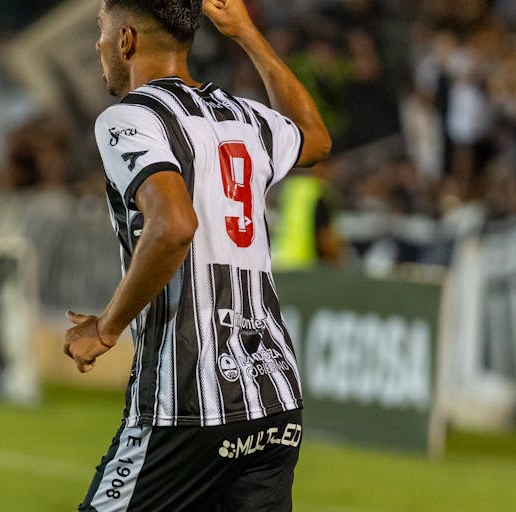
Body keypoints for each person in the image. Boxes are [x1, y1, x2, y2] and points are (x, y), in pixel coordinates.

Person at [63, 1, 331, 510]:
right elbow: (315, 139)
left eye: (99, 31)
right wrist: (248, 35)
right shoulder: (243, 115)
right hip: (273, 397)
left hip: (188, 400)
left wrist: (106, 328)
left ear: (126, 40)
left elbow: (173, 226)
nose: (96, 47)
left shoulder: (129, 119)